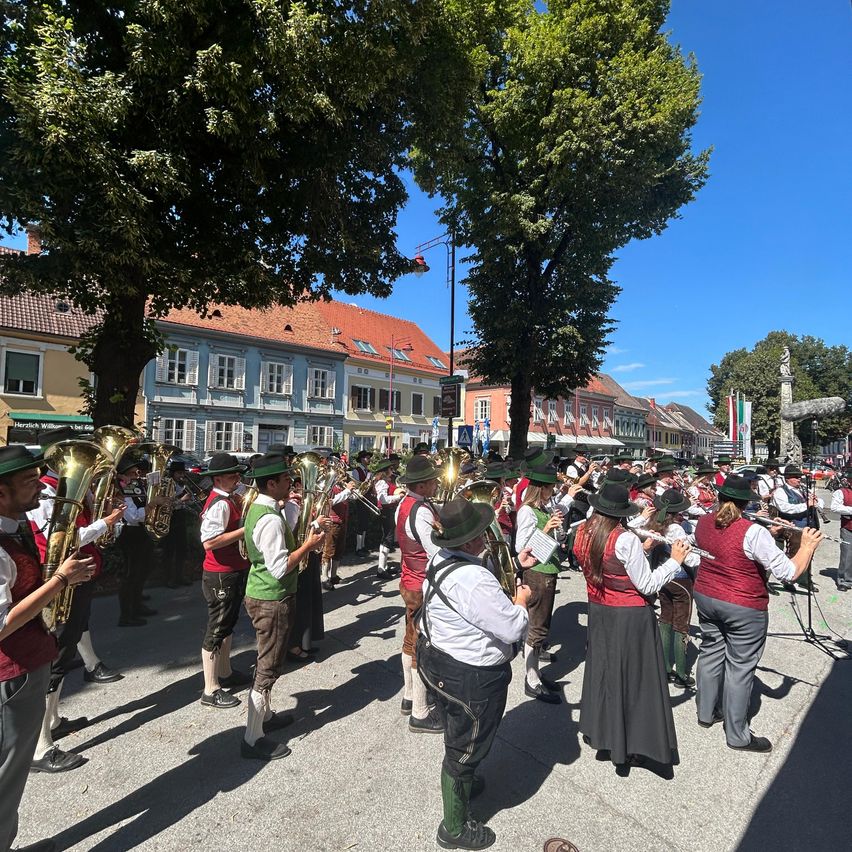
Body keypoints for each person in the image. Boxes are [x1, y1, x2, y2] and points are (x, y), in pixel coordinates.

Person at [416, 498, 533, 851]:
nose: (485, 537)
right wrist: (522, 601)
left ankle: (463, 783)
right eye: (479, 533)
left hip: (438, 660)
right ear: (467, 542)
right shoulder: (474, 579)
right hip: (470, 676)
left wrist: (518, 565)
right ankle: (454, 827)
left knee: (460, 735)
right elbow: (513, 629)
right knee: (464, 749)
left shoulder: (441, 558)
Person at [0, 445, 95, 852]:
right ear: (1, 492)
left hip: (28, 663)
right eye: (27, 481)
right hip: (13, 673)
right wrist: (59, 581)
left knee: (13, 773)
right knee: (7, 775)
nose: (39, 485)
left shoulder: (13, 528)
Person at [693, 474, 822, 752]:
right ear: (745, 504)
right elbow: (788, 572)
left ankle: (706, 712)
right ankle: (737, 735)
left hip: (706, 594)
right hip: (741, 602)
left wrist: (767, 535)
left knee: (711, 651)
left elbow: (725, 545)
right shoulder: (752, 531)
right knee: (740, 667)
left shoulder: (703, 522)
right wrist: (808, 546)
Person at [573, 482, 689, 777]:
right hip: (629, 615)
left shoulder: (583, 532)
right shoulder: (623, 540)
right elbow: (648, 584)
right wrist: (675, 562)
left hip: (599, 611)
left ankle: (604, 734)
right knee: (635, 681)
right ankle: (631, 744)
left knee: (606, 674)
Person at [26, 430, 125, 774]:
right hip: (57, 582)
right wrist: (103, 523)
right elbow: (60, 539)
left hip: (77, 580)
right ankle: (39, 746)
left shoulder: (67, 491)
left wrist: (104, 517)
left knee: (64, 656)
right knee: (52, 661)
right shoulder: (45, 495)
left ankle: (52, 721)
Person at [240, 452, 325, 760]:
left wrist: (307, 523)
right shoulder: (270, 520)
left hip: (264, 594)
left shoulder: (262, 508)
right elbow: (279, 568)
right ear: (271, 483)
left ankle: (265, 717)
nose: (292, 482)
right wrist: (309, 546)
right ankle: (252, 738)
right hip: (271, 597)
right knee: (267, 667)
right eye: (287, 479)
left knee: (270, 661)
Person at [514, 462, 576, 704]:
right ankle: (531, 679)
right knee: (536, 628)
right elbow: (522, 548)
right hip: (537, 572)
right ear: (541, 488)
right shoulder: (527, 511)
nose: (553, 492)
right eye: (551, 488)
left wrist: (557, 532)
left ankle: (537, 674)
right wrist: (547, 529)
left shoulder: (541, 508)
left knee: (542, 626)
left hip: (547, 568)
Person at [198, 453, 252, 709]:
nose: (237, 479)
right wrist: (245, 529)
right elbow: (209, 541)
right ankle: (210, 689)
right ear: (218, 479)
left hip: (232, 568)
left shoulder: (228, 498)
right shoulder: (219, 504)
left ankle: (226, 671)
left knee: (228, 624)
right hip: (221, 572)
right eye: (232, 476)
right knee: (217, 628)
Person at [395, 454, 442, 731]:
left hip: (408, 578)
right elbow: (433, 550)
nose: (437, 483)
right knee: (421, 646)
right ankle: (420, 712)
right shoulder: (421, 510)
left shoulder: (405, 503)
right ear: (422, 485)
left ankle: (408, 695)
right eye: (433, 481)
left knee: (409, 638)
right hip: (421, 582)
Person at [647, 489, 701, 688]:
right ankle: (680, 673)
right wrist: (701, 555)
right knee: (681, 623)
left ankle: (665, 667)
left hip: (663, 576)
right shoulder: (676, 529)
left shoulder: (655, 523)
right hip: (681, 578)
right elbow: (690, 558)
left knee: (665, 619)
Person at [115, 454, 168, 626]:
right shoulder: (120, 491)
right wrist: (153, 504)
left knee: (141, 572)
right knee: (130, 575)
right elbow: (132, 517)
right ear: (121, 475)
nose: (136, 477)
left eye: (136, 473)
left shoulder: (134, 487)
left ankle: (137, 605)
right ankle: (126, 615)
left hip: (140, 533)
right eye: (131, 474)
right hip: (129, 534)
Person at [162, 460, 193, 588]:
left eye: (183, 473)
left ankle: (179, 576)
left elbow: (187, 501)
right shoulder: (167, 485)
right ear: (173, 473)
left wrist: (188, 500)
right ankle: (168, 579)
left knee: (182, 549)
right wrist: (181, 500)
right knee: (170, 550)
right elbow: (167, 504)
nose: (182, 475)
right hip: (170, 518)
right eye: (179, 473)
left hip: (181, 517)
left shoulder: (182, 485)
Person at [373, 457, 403, 580]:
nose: (393, 470)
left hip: (389, 511)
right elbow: (383, 500)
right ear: (385, 471)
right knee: (387, 539)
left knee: (388, 539)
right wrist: (398, 497)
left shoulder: (387, 481)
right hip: (386, 512)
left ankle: (384, 566)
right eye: (391, 468)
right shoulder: (382, 483)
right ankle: (381, 568)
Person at [830, 467, 852, 591]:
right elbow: (834, 507)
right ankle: (844, 580)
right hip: (848, 527)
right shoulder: (841, 492)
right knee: (847, 554)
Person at [349, 450, 373, 555]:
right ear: (362, 459)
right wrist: (367, 481)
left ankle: (363, 546)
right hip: (360, 499)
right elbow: (357, 485)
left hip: (367, 498)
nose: (369, 460)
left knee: (365, 523)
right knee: (360, 523)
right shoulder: (356, 471)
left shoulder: (368, 471)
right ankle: (358, 548)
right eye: (367, 458)